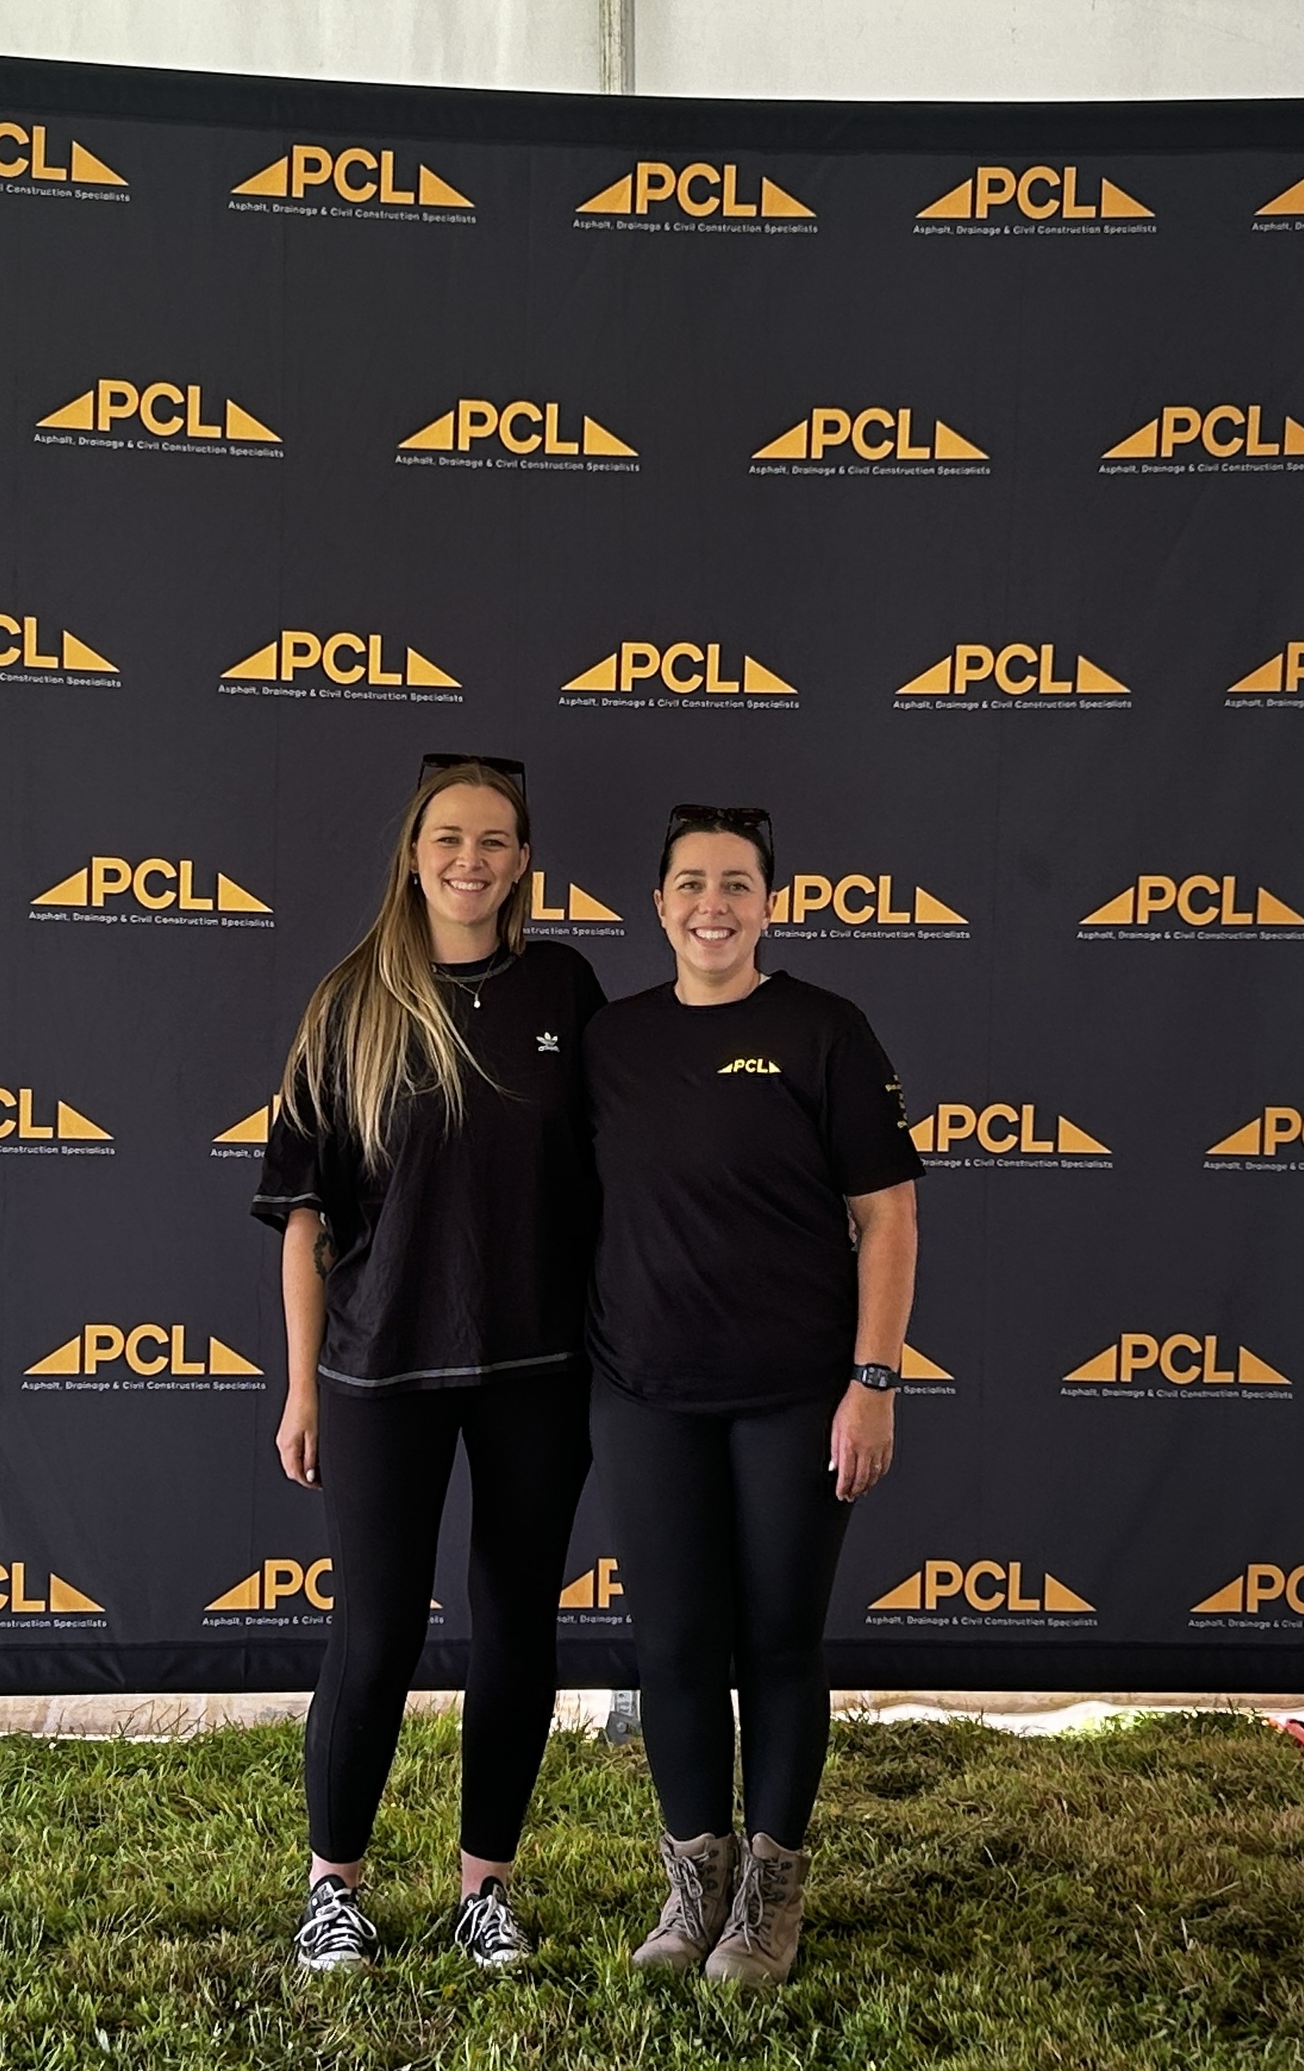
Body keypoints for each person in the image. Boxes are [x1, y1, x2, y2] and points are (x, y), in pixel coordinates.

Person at [254, 755, 605, 1975]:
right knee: (380, 1631)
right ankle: (332, 1888)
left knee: (514, 1627)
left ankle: (485, 1891)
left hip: (537, 1366)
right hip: (378, 1371)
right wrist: (301, 1385)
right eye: (449, 838)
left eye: (496, 841)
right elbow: (303, 1221)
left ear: (523, 860)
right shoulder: (348, 1002)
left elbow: (622, 1171)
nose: (472, 860)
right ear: (413, 851)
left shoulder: (566, 983)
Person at [583, 802, 921, 1988]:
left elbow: (887, 1215)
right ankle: (696, 1888)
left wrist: (871, 1381)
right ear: (659, 903)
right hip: (643, 1393)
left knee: (777, 1641)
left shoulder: (825, 1030)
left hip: (796, 1394)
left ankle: (771, 1897)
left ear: (770, 902)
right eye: (690, 883)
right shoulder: (610, 1041)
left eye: (736, 883)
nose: (712, 904)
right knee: (673, 1646)